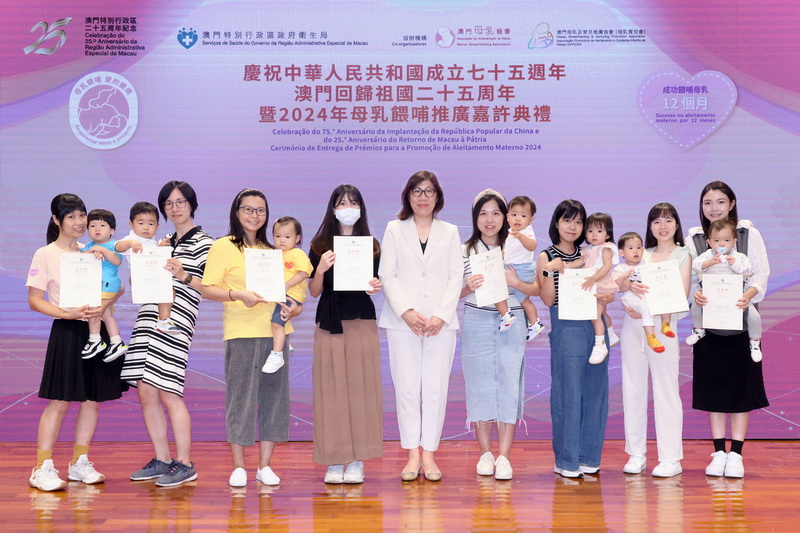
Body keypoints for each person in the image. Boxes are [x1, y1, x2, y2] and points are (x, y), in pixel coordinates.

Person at [26, 193, 129, 491]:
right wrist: (66, 313)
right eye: (71, 216)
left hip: (97, 330)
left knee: (91, 401)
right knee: (60, 401)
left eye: (82, 215)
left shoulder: (93, 250)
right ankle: (42, 467)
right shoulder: (45, 254)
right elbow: (34, 299)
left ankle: (79, 462)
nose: (79, 222)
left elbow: (117, 287)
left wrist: (105, 304)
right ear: (56, 220)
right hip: (68, 329)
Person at [201, 188, 301, 488]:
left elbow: (293, 293)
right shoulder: (223, 246)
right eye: (248, 209)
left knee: (274, 400)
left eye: (260, 210)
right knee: (240, 399)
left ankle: (265, 466)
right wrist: (237, 294)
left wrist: (294, 310)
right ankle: (239, 467)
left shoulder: (274, 250)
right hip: (241, 332)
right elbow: (207, 288)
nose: (254, 215)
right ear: (236, 212)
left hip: (276, 336)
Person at [122, 181, 213, 487]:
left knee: (168, 389)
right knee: (145, 389)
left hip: (175, 320)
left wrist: (182, 274)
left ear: (192, 204)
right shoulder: (160, 242)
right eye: (169, 204)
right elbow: (139, 282)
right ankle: (162, 459)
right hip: (148, 315)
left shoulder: (206, 243)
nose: (175, 208)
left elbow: (209, 287)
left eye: (181, 202)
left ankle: (185, 463)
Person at [379, 170, 463, 481]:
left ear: (437, 197)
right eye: (417, 191)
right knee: (407, 388)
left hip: (441, 324)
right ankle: (412, 453)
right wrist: (406, 311)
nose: (423, 197)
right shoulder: (394, 229)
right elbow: (387, 274)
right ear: (408, 196)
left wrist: (441, 314)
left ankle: (429, 453)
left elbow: (456, 277)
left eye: (429, 191)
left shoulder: (450, 231)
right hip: (404, 323)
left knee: (435, 389)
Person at [687, 181, 769, 479]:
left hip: (742, 323)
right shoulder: (695, 238)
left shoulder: (748, 234)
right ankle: (719, 452)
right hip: (709, 327)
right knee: (714, 390)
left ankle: (736, 454)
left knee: (741, 390)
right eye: (707, 202)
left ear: (732, 204)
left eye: (720, 202)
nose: (714, 208)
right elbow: (690, 278)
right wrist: (695, 294)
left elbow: (761, 272)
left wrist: (749, 295)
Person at [307, 184, 383, 484]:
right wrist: (321, 269)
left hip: (361, 321)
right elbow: (314, 291)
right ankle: (334, 459)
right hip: (330, 322)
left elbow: (374, 284)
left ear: (361, 208)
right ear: (333, 208)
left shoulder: (372, 245)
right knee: (331, 391)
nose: (347, 208)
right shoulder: (319, 245)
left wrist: (374, 286)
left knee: (360, 389)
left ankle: (356, 460)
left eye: (353, 202)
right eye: (341, 203)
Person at [460, 189, 537, 481]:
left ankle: (504, 456)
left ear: (505, 216)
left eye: (495, 213)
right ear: (475, 217)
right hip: (477, 317)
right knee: (479, 382)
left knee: (508, 381)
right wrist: (467, 287)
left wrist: (515, 281)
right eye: (483, 213)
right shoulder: (464, 249)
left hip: (512, 317)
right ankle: (485, 453)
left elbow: (534, 290)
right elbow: (451, 293)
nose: (489, 220)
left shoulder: (517, 245)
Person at [536, 199, 612, 479]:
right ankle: (567, 460)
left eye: (579, 221)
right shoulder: (546, 255)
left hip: (595, 326)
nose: (573, 226)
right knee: (568, 394)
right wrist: (550, 270)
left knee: (595, 394)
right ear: (556, 223)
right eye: (567, 220)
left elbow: (607, 285)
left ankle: (589, 457)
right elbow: (547, 299)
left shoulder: (590, 252)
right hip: (566, 326)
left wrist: (607, 296)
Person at [620, 202, 690, 478]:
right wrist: (628, 287)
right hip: (633, 326)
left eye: (668, 220)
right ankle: (636, 453)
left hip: (664, 327)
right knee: (633, 388)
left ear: (676, 224)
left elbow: (681, 294)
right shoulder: (641, 253)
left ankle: (670, 458)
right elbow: (621, 282)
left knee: (666, 389)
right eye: (656, 221)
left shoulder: (684, 254)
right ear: (649, 226)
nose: (663, 226)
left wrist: (653, 308)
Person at [687, 219, 759, 361]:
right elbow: (695, 265)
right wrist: (708, 263)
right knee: (695, 305)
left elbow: (750, 270)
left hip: (737, 296)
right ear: (709, 242)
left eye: (726, 240)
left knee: (754, 316)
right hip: (712, 296)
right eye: (716, 240)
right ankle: (699, 330)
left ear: (734, 241)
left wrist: (736, 265)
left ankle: (755, 342)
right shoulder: (707, 256)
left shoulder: (739, 257)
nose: (721, 244)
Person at [79, 209, 142, 362]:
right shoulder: (88, 246)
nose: (97, 229)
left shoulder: (113, 245)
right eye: (92, 226)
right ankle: (116, 341)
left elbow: (117, 260)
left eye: (102, 225)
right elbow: (79, 259)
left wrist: (103, 250)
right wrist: (91, 252)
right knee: (106, 315)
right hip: (97, 286)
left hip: (107, 286)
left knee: (94, 310)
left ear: (112, 230)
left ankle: (95, 339)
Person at [121, 201, 182, 335]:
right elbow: (118, 247)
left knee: (170, 290)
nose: (146, 227)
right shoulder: (130, 238)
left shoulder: (152, 242)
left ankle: (164, 320)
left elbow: (153, 257)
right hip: (139, 278)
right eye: (141, 223)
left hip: (154, 277)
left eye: (151, 224)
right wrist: (130, 243)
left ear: (157, 226)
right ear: (131, 224)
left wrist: (160, 248)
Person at [263, 216, 312, 374]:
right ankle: (283, 342)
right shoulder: (275, 254)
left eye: (287, 237)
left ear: (297, 238)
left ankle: (277, 355)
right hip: (278, 293)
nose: (282, 240)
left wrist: (288, 284)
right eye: (277, 236)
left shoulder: (297, 253)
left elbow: (305, 272)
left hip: (291, 295)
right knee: (271, 317)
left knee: (277, 321)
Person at [575, 212, 621, 364]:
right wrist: (565, 266)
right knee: (602, 313)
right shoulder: (586, 249)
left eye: (599, 231)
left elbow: (607, 266)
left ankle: (600, 344)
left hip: (601, 284)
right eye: (590, 231)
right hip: (592, 285)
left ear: (608, 234)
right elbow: (580, 262)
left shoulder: (605, 248)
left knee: (595, 314)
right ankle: (611, 334)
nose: (594, 234)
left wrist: (594, 278)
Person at [613, 232, 665, 353]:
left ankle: (664, 325)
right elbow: (616, 287)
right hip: (630, 298)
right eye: (631, 248)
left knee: (649, 304)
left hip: (645, 296)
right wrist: (624, 277)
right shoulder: (620, 268)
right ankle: (651, 336)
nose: (635, 251)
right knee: (646, 306)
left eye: (639, 247)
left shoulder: (647, 264)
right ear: (622, 253)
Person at [504, 195, 545, 341]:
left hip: (521, 270)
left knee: (523, 300)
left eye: (523, 216)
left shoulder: (526, 231)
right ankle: (531, 322)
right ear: (507, 217)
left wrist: (521, 237)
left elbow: (533, 245)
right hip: (515, 267)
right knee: (523, 300)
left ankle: (532, 322)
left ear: (530, 220)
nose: (517, 219)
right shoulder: (509, 232)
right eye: (514, 215)